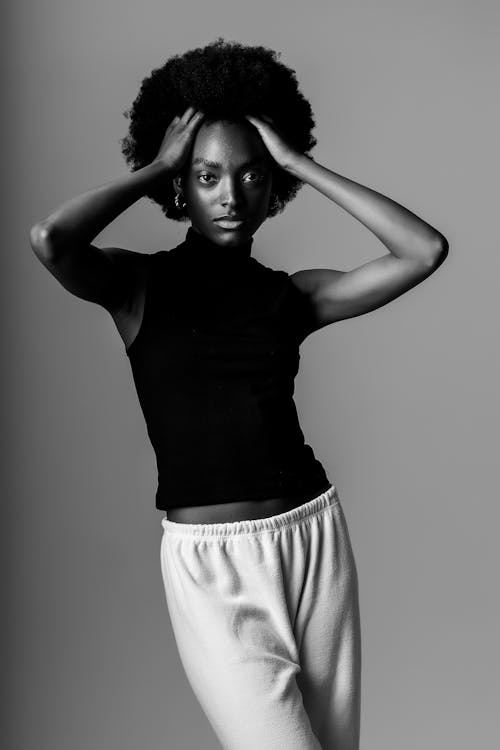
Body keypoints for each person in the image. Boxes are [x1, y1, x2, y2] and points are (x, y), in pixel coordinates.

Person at [29, 38, 448, 750]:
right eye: (207, 176)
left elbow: (423, 251)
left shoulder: (292, 297)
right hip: (209, 565)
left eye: (252, 176)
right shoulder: (137, 289)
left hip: (313, 539)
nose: (230, 195)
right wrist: (157, 165)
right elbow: (52, 238)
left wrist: (301, 165)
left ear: (271, 188)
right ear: (181, 188)